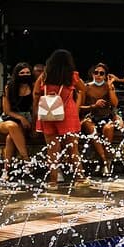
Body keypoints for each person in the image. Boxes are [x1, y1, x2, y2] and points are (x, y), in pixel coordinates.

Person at [33, 48, 85, 188]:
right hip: (67, 114)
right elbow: (83, 88)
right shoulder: (72, 76)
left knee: (52, 150)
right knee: (73, 148)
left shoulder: (44, 76)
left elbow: (36, 93)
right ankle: (80, 178)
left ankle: (53, 182)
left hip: (48, 114)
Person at [80, 62, 121, 177]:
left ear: (105, 76)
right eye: (96, 72)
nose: (98, 75)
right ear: (92, 74)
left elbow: (115, 104)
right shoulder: (86, 87)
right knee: (91, 129)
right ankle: (103, 161)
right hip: (90, 116)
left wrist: (110, 88)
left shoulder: (108, 87)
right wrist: (94, 105)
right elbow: (79, 107)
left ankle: (105, 161)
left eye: (101, 73)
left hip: (106, 116)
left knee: (109, 128)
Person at [0, 62, 35, 179]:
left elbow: (35, 108)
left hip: (26, 120)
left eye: (27, 72)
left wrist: (32, 123)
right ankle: (26, 159)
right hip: (8, 119)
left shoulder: (33, 86)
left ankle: (6, 170)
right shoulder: (9, 87)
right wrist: (21, 118)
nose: (25, 75)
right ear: (16, 74)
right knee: (12, 127)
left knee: (10, 138)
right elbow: (7, 111)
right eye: (22, 73)